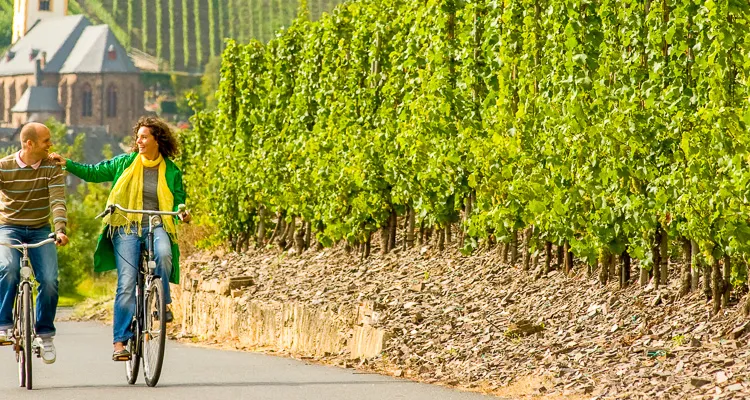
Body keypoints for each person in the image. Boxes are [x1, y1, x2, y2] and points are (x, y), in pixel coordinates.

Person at [49, 116, 190, 361]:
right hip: (125, 225)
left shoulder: (171, 170)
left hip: (157, 223)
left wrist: (183, 211)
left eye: (144, 136)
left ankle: (162, 302)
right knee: (126, 282)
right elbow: (94, 173)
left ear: (158, 140)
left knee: (165, 254)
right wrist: (68, 164)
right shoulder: (125, 162)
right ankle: (120, 342)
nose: (139, 141)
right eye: (138, 137)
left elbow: (179, 198)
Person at [0, 122, 69, 365]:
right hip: (9, 228)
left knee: (49, 280)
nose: (51, 144)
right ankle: (4, 324)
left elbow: (57, 201)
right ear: (29, 144)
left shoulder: (52, 167)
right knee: (8, 269)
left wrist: (60, 229)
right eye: (46, 141)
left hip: (41, 229)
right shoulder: (4, 166)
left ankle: (45, 334)